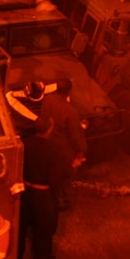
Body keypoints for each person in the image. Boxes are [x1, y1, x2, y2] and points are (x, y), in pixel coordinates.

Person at [18, 116, 64, 259]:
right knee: (43, 229)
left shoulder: (25, 144)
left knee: (22, 226)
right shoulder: (54, 150)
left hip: (24, 190)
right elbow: (55, 180)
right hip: (41, 194)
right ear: (50, 129)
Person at [38, 78, 86, 209]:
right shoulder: (70, 111)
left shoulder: (47, 100)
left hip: (48, 143)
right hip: (64, 150)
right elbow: (76, 135)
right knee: (66, 176)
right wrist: (80, 151)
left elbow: (43, 117)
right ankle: (60, 201)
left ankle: (51, 197)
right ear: (69, 92)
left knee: (51, 174)